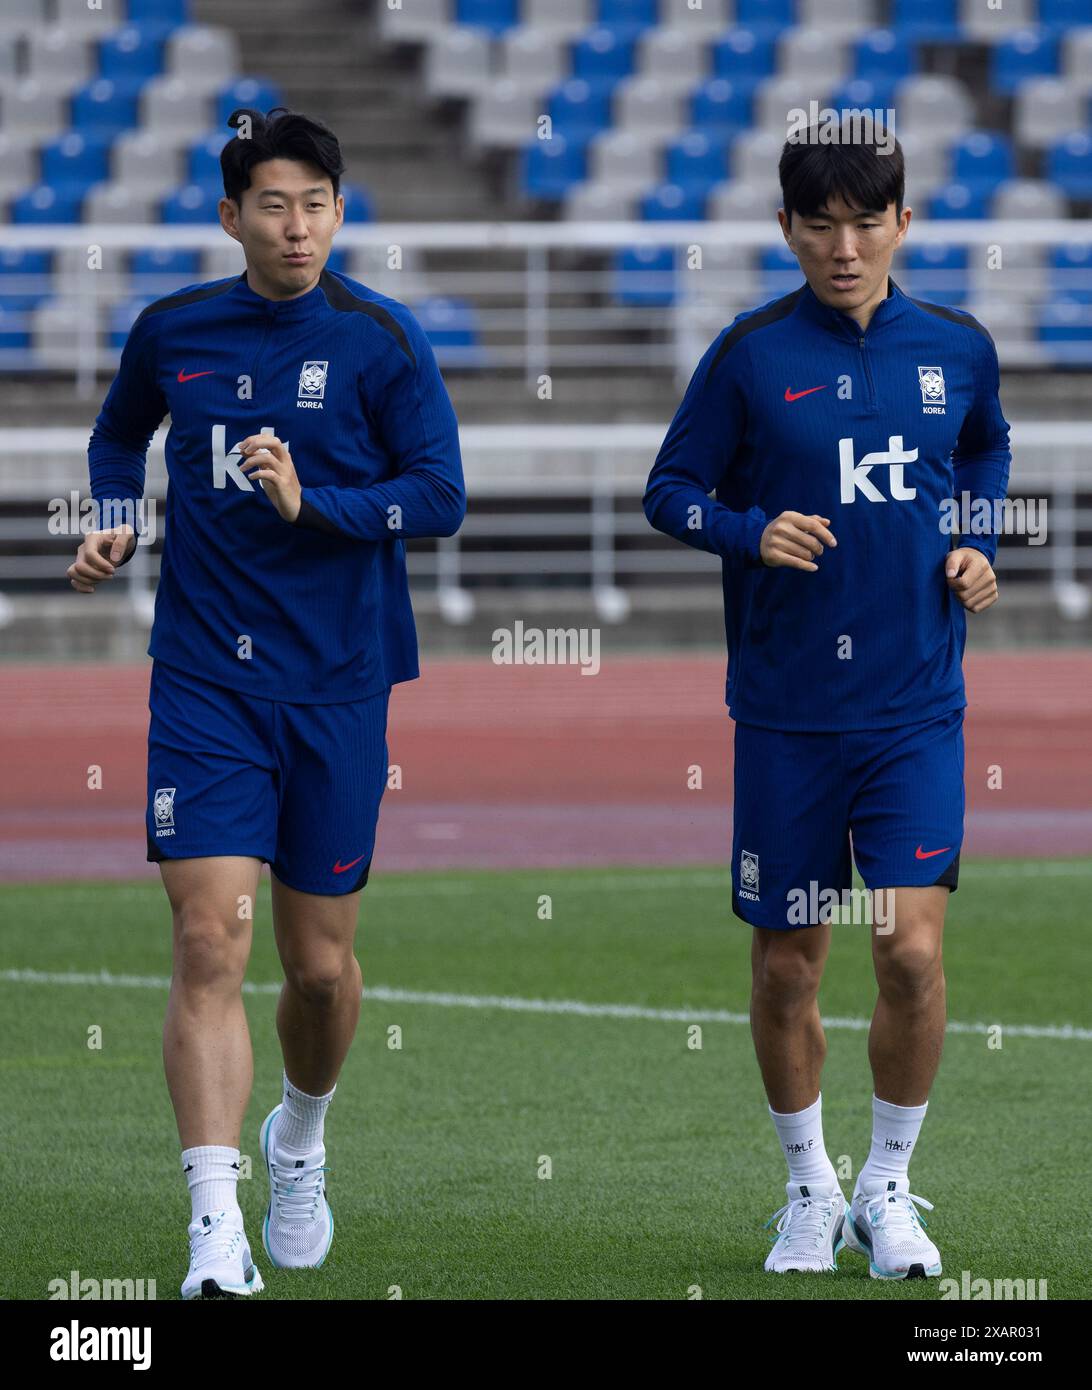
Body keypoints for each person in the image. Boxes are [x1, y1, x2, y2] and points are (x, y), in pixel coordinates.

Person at [68, 107, 466, 1298]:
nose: (298, 228)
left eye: (318, 205)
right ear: (230, 214)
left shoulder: (382, 342)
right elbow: (115, 437)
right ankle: (213, 1221)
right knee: (207, 941)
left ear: (340, 213)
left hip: (338, 685)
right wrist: (113, 516)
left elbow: (440, 496)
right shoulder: (173, 330)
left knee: (320, 971)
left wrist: (318, 505)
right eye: (275, 205)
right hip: (203, 681)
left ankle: (299, 1139)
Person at [643, 125, 1010, 1280]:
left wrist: (973, 542)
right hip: (789, 712)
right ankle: (808, 1188)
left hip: (914, 707)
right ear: (789, 229)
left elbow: (986, 455)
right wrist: (752, 532)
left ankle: (887, 1185)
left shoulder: (957, 345)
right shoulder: (750, 356)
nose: (843, 246)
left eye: (866, 221)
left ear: (904, 223)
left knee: (906, 948)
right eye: (819, 224)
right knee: (791, 963)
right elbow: (669, 491)